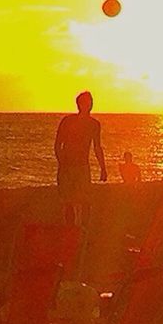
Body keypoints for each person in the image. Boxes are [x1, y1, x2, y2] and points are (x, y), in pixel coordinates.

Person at [55, 91, 107, 227]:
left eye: (91, 102)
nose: (89, 105)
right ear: (79, 104)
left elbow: (97, 147)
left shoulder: (94, 124)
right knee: (68, 201)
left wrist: (103, 168)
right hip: (67, 166)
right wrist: (62, 163)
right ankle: (70, 230)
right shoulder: (67, 121)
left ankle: (84, 229)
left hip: (82, 167)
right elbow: (57, 144)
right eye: (86, 102)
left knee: (85, 201)